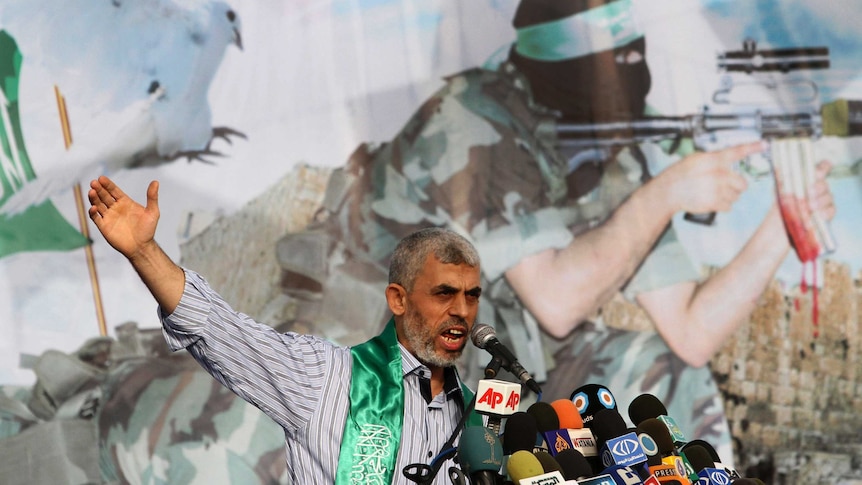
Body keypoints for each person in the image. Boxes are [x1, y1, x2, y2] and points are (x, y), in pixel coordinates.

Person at [270, 0, 836, 463]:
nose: (631, 71)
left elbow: (690, 332)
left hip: (499, 373)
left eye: (633, 55)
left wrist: (786, 224)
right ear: (568, 66)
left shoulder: (607, 148)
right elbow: (557, 303)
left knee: (665, 375)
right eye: (614, 60)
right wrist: (667, 193)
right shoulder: (471, 119)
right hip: (386, 372)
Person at [87, 174, 485, 484]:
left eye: (472, 296)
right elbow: (219, 331)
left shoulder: (474, 416)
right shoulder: (326, 376)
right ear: (398, 299)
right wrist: (143, 252)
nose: (462, 311)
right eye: (444, 294)